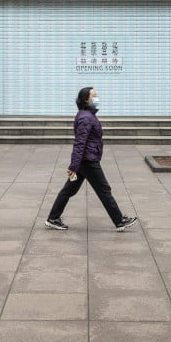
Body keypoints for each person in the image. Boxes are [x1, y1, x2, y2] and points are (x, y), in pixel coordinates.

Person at [45, 86, 138, 232]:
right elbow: (80, 143)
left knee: (69, 190)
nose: (96, 98)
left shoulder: (87, 115)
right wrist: (73, 166)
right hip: (88, 162)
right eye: (93, 95)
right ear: (85, 100)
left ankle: (53, 218)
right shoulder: (85, 118)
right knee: (104, 190)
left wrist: (76, 166)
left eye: (96, 95)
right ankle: (119, 221)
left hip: (83, 162)